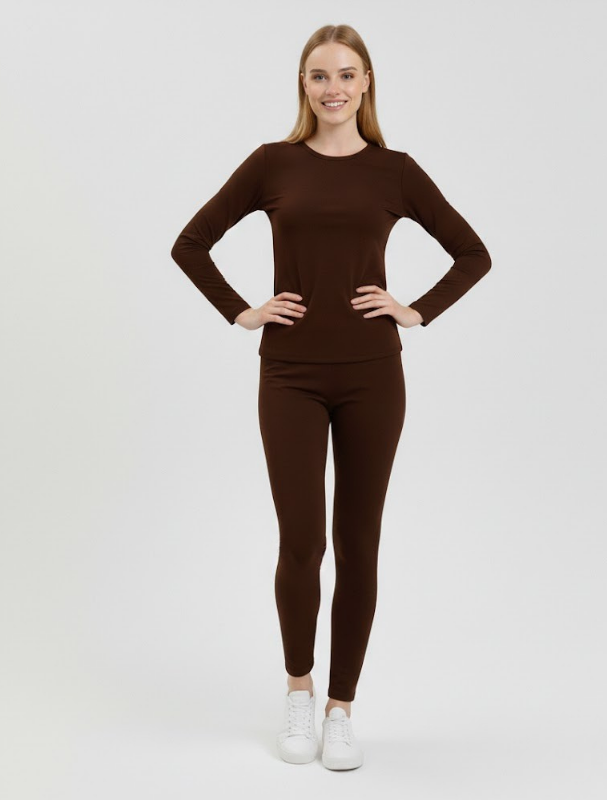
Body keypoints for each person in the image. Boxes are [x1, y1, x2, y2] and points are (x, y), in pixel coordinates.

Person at [170, 24, 491, 770]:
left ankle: (341, 708)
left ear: (367, 82)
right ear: (304, 85)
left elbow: (472, 253)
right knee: (302, 541)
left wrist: (415, 309)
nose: (334, 88)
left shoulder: (395, 172)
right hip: (289, 374)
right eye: (320, 76)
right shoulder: (272, 164)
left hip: (373, 375)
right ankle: (298, 691)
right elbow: (191, 243)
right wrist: (242, 310)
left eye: (347, 74)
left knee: (358, 542)